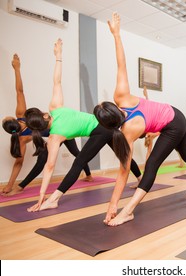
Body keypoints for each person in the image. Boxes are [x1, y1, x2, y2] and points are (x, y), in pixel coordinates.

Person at [93, 12, 186, 226]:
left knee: (152, 163)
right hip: (174, 114)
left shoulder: (127, 130)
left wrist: (116, 206)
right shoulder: (122, 98)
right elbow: (122, 65)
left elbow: (122, 173)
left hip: (173, 122)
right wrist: (116, 35)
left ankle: (129, 211)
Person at [24, 38, 142, 212]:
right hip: (105, 125)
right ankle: (140, 180)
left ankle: (54, 199)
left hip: (100, 131)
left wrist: (43, 194)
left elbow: (49, 166)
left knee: (79, 162)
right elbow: (57, 81)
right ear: (44, 114)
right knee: (123, 153)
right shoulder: (55, 108)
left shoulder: (54, 137)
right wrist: (58, 56)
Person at [1, 54, 92, 196]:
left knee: (74, 153)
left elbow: (18, 163)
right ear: (14, 119)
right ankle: (21, 186)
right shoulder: (21, 115)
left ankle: (88, 175)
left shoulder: (20, 139)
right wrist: (17, 69)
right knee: (49, 157)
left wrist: (9, 185)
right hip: (55, 135)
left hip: (60, 128)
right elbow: (19, 91)